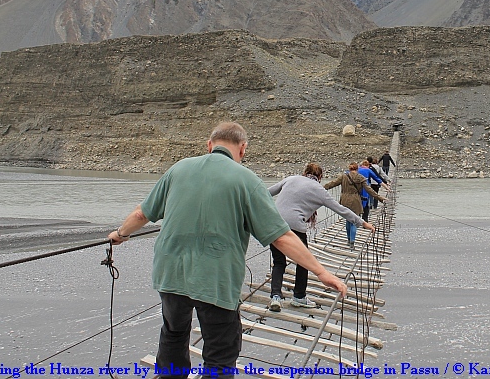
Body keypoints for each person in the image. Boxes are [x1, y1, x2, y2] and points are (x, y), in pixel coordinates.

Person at [107, 122, 347, 379]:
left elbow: (142, 213)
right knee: (220, 354)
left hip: (171, 275)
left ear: (209, 145)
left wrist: (120, 235)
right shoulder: (248, 181)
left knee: (173, 335)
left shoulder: (178, 169)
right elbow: (281, 237)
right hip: (217, 281)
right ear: (243, 149)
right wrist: (322, 272)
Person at [267, 162, 375, 312]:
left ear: (305, 172)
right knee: (304, 262)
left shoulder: (291, 179)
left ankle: (276, 297)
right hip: (295, 227)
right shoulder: (319, 190)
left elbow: (265, 193)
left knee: (279, 262)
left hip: (274, 223)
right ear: (320, 176)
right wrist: (362, 223)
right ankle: (299, 297)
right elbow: (341, 209)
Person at [323, 162, 384, 249]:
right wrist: (380, 198)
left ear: (350, 168)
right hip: (355, 200)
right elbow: (369, 190)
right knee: (354, 221)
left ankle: (348, 240)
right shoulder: (360, 178)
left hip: (344, 200)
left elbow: (332, 183)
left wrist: (320, 188)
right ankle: (352, 242)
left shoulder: (343, 176)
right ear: (357, 169)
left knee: (348, 220)